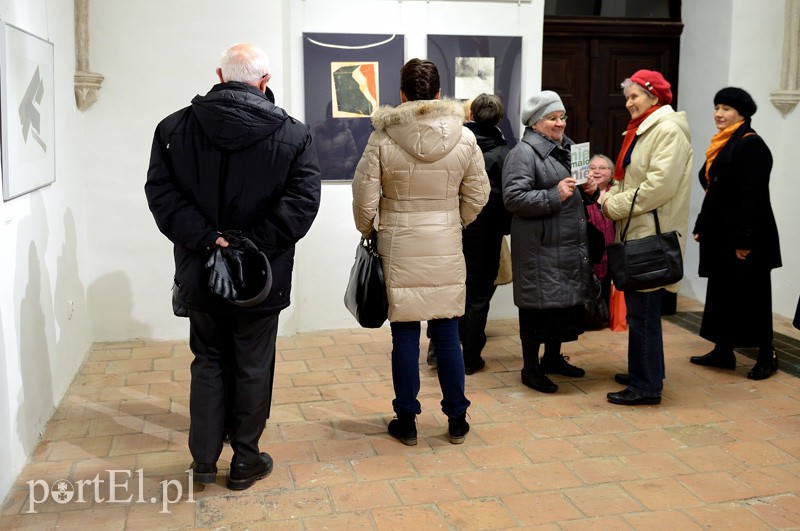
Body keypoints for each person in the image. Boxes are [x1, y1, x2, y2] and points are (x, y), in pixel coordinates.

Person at [145, 43, 321, 489]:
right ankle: (244, 460)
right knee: (253, 364)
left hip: (201, 269)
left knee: (207, 359)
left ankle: (203, 461)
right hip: (262, 275)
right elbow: (302, 203)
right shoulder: (294, 134)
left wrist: (211, 240)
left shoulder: (173, 128)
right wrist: (250, 245)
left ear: (220, 76)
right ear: (264, 83)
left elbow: (162, 196)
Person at [352, 58, 489, 446]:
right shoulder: (465, 137)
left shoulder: (382, 138)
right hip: (445, 240)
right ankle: (457, 418)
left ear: (402, 94)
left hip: (398, 241)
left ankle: (407, 421)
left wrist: (370, 230)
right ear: (439, 92)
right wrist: (454, 220)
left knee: (405, 336)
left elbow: (364, 200)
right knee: (447, 334)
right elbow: (479, 194)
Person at [601, 69, 692, 405]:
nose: (629, 103)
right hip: (640, 228)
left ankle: (646, 385)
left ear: (654, 96)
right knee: (642, 310)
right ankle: (646, 371)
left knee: (643, 312)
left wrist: (613, 205)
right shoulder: (643, 129)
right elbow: (631, 178)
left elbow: (658, 187)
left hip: (650, 231)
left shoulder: (666, 130)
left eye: (634, 95)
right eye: (627, 97)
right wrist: (611, 193)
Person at [502, 90, 598, 394]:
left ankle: (553, 359)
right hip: (539, 247)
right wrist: (554, 195)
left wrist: (591, 190)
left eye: (562, 117)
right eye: (552, 118)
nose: (560, 124)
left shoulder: (569, 148)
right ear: (534, 124)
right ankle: (530, 368)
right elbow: (513, 199)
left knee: (561, 303)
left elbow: (578, 193)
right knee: (537, 308)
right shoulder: (523, 153)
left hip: (566, 243)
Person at [689, 87, 782, 380]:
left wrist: (744, 240)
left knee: (754, 295)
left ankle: (767, 355)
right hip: (722, 234)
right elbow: (714, 187)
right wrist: (703, 225)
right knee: (722, 292)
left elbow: (753, 197)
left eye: (727, 109)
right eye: (717, 107)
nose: (719, 114)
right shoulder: (724, 142)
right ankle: (723, 350)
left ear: (742, 114)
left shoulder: (751, 145)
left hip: (747, 236)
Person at [458, 93, 512, 374]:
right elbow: (507, 197)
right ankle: (470, 358)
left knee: (456, 291)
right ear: (500, 119)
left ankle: (449, 352)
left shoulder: (457, 145)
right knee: (479, 295)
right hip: (488, 231)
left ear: (471, 116)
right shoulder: (504, 153)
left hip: (457, 229)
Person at [585, 154, 616, 306]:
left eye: (602, 168)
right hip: (589, 254)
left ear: (611, 173)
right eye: (592, 168)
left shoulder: (619, 194)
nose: (596, 172)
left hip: (614, 254)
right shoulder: (581, 194)